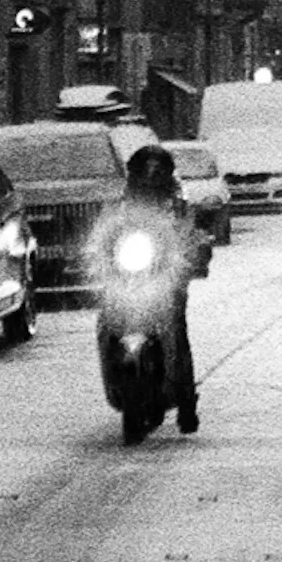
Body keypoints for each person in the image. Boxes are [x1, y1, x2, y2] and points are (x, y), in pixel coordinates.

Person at [119, 142, 206, 431]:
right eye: (146, 169)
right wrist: (100, 258)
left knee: (177, 333)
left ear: (166, 172)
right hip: (132, 277)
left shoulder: (177, 199)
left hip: (169, 276)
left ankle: (187, 403)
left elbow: (189, 233)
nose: (151, 174)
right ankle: (121, 377)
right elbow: (109, 232)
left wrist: (193, 257)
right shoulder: (123, 201)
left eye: (157, 169)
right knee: (112, 323)